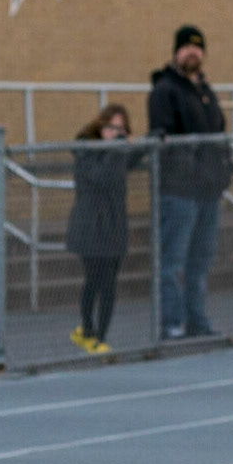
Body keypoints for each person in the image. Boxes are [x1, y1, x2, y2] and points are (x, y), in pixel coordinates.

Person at [148, 24, 232, 338]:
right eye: (186, 47)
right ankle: (172, 324)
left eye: (197, 47)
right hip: (178, 192)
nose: (192, 52)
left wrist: (225, 170)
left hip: (208, 191)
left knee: (200, 262)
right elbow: (163, 136)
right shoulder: (165, 90)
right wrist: (186, 166)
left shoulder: (206, 92)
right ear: (176, 52)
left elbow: (219, 134)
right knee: (172, 263)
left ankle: (197, 321)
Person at [66, 103, 141, 354]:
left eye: (121, 129)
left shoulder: (117, 154)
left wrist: (148, 141)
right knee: (95, 280)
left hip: (114, 224)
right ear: (100, 127)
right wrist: (117, 149)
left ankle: (101, 336)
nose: (115, 133)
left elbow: (131, 160)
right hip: (90, 225)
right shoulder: (87, 150)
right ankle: (88, 329)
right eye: (111, 128)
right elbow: (100, 176)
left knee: (110, 284)